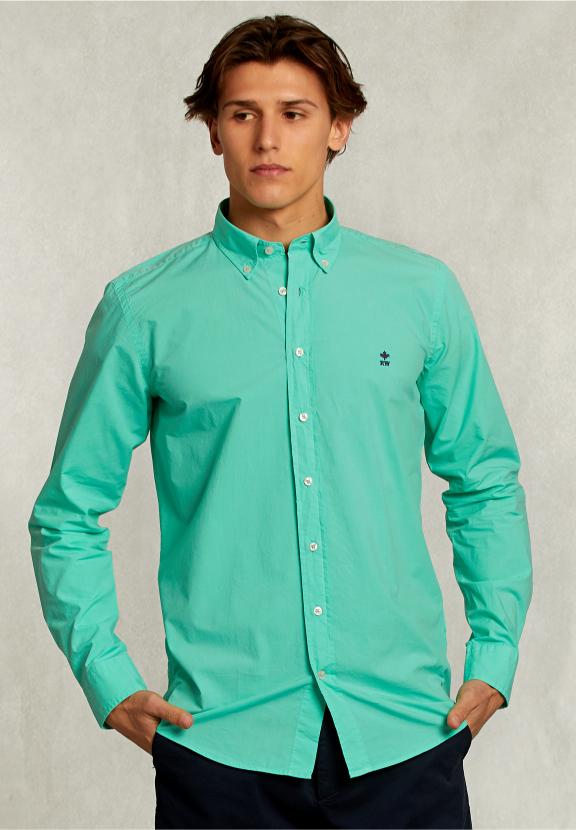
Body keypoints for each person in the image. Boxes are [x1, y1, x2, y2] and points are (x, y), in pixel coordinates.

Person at [28, 13, 533, 830]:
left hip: (405, 737)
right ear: (213, 131)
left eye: (295, 113)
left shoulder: (421, 293)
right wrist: (106, 676)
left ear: (339, 127)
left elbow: (485, 482)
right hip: (222, 750)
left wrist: (496, 652)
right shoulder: (144, 308)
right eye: (242, 113)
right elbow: (68, 512)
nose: (268, 138)